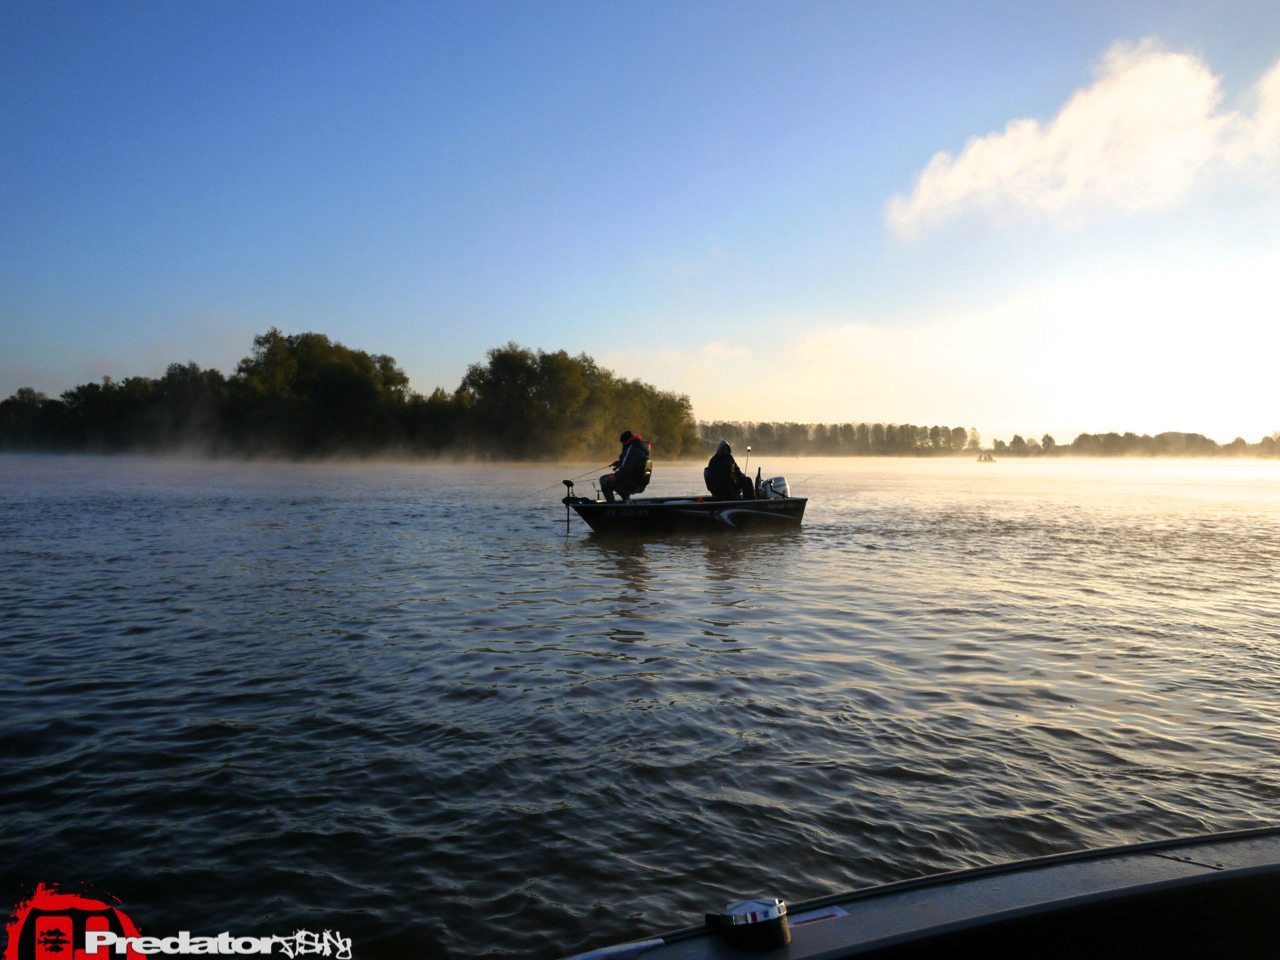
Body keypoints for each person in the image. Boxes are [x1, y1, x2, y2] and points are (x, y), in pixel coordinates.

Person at [600, 430, 652, 502]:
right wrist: (620, 462)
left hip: (631, 484)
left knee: (604, 480)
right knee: (616, 478)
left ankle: (611, 506)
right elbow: (635, 463)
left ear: (625, 442)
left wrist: (615, 477)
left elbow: (626, 470)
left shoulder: (631, 448)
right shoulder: (641, 447)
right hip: (640, 483)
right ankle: (626, 501)